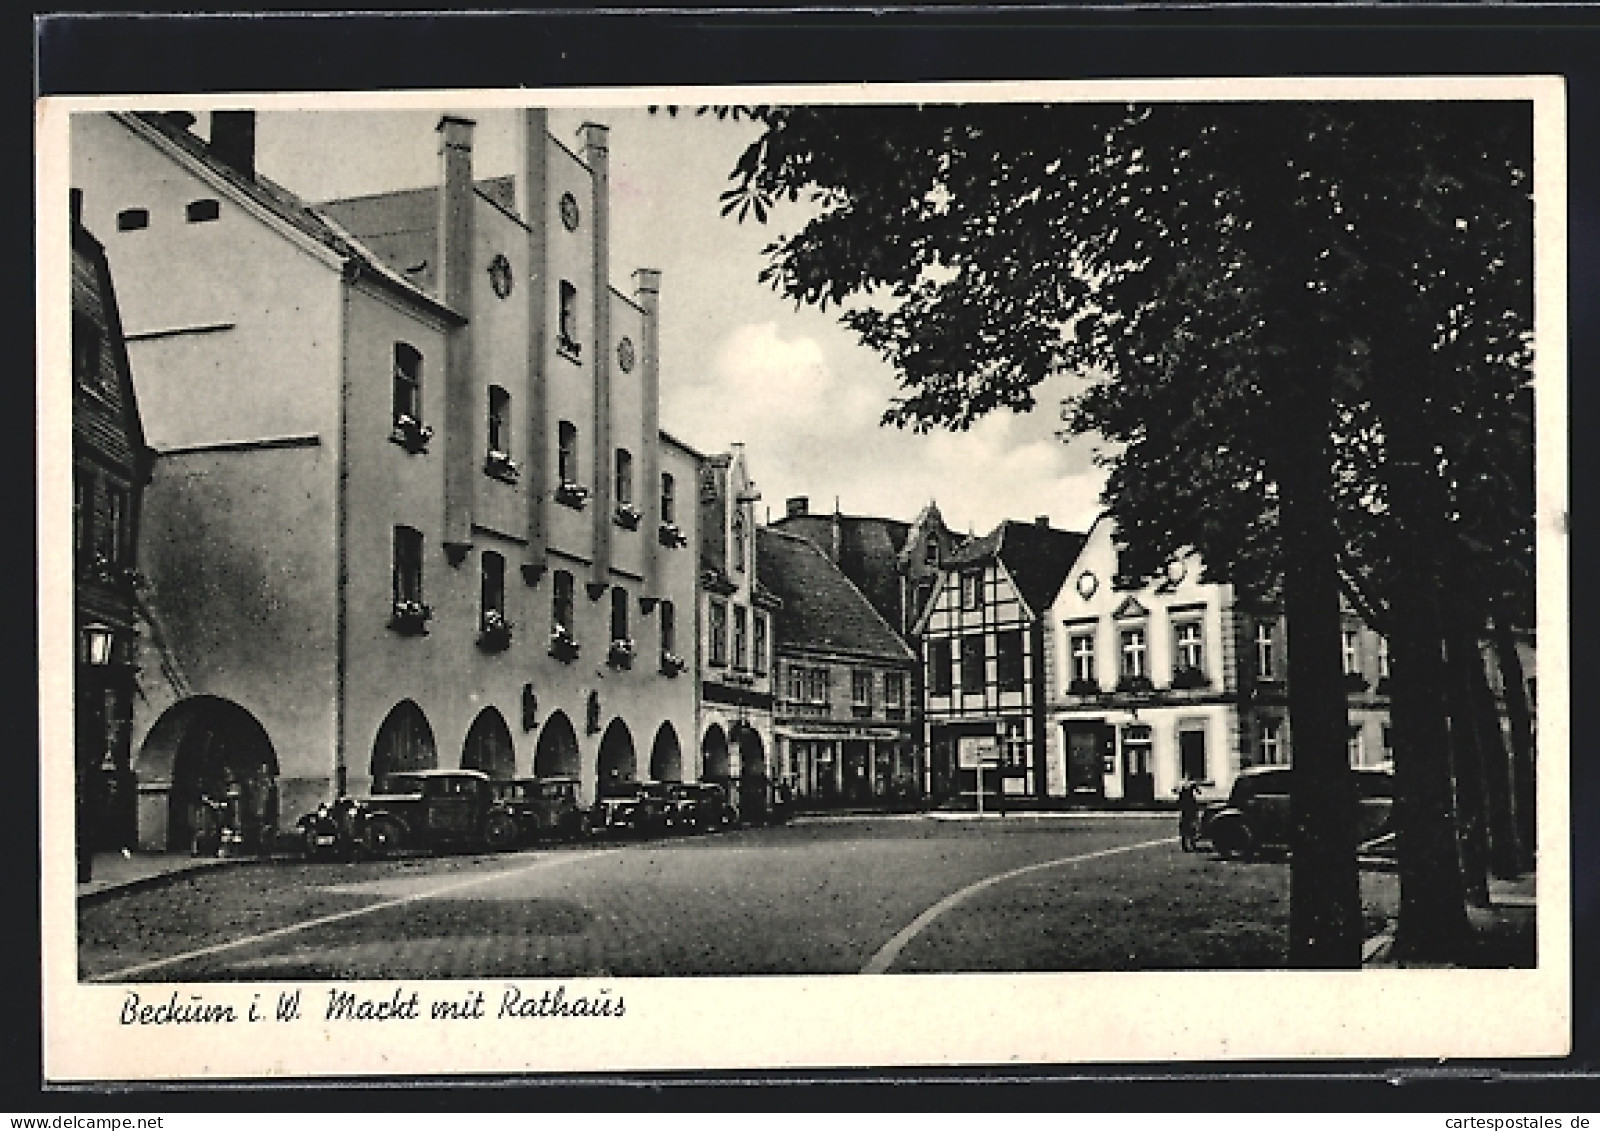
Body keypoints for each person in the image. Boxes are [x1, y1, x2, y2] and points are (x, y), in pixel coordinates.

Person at [1176, 776, 1202, 852]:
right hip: (1189, 809)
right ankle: (1190, 844)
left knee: (1186, 827)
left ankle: (1187, 845)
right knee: (1190, 827)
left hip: (1186, 809)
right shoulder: (1189, 787)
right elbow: (1198, 792)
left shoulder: (1183, 787)